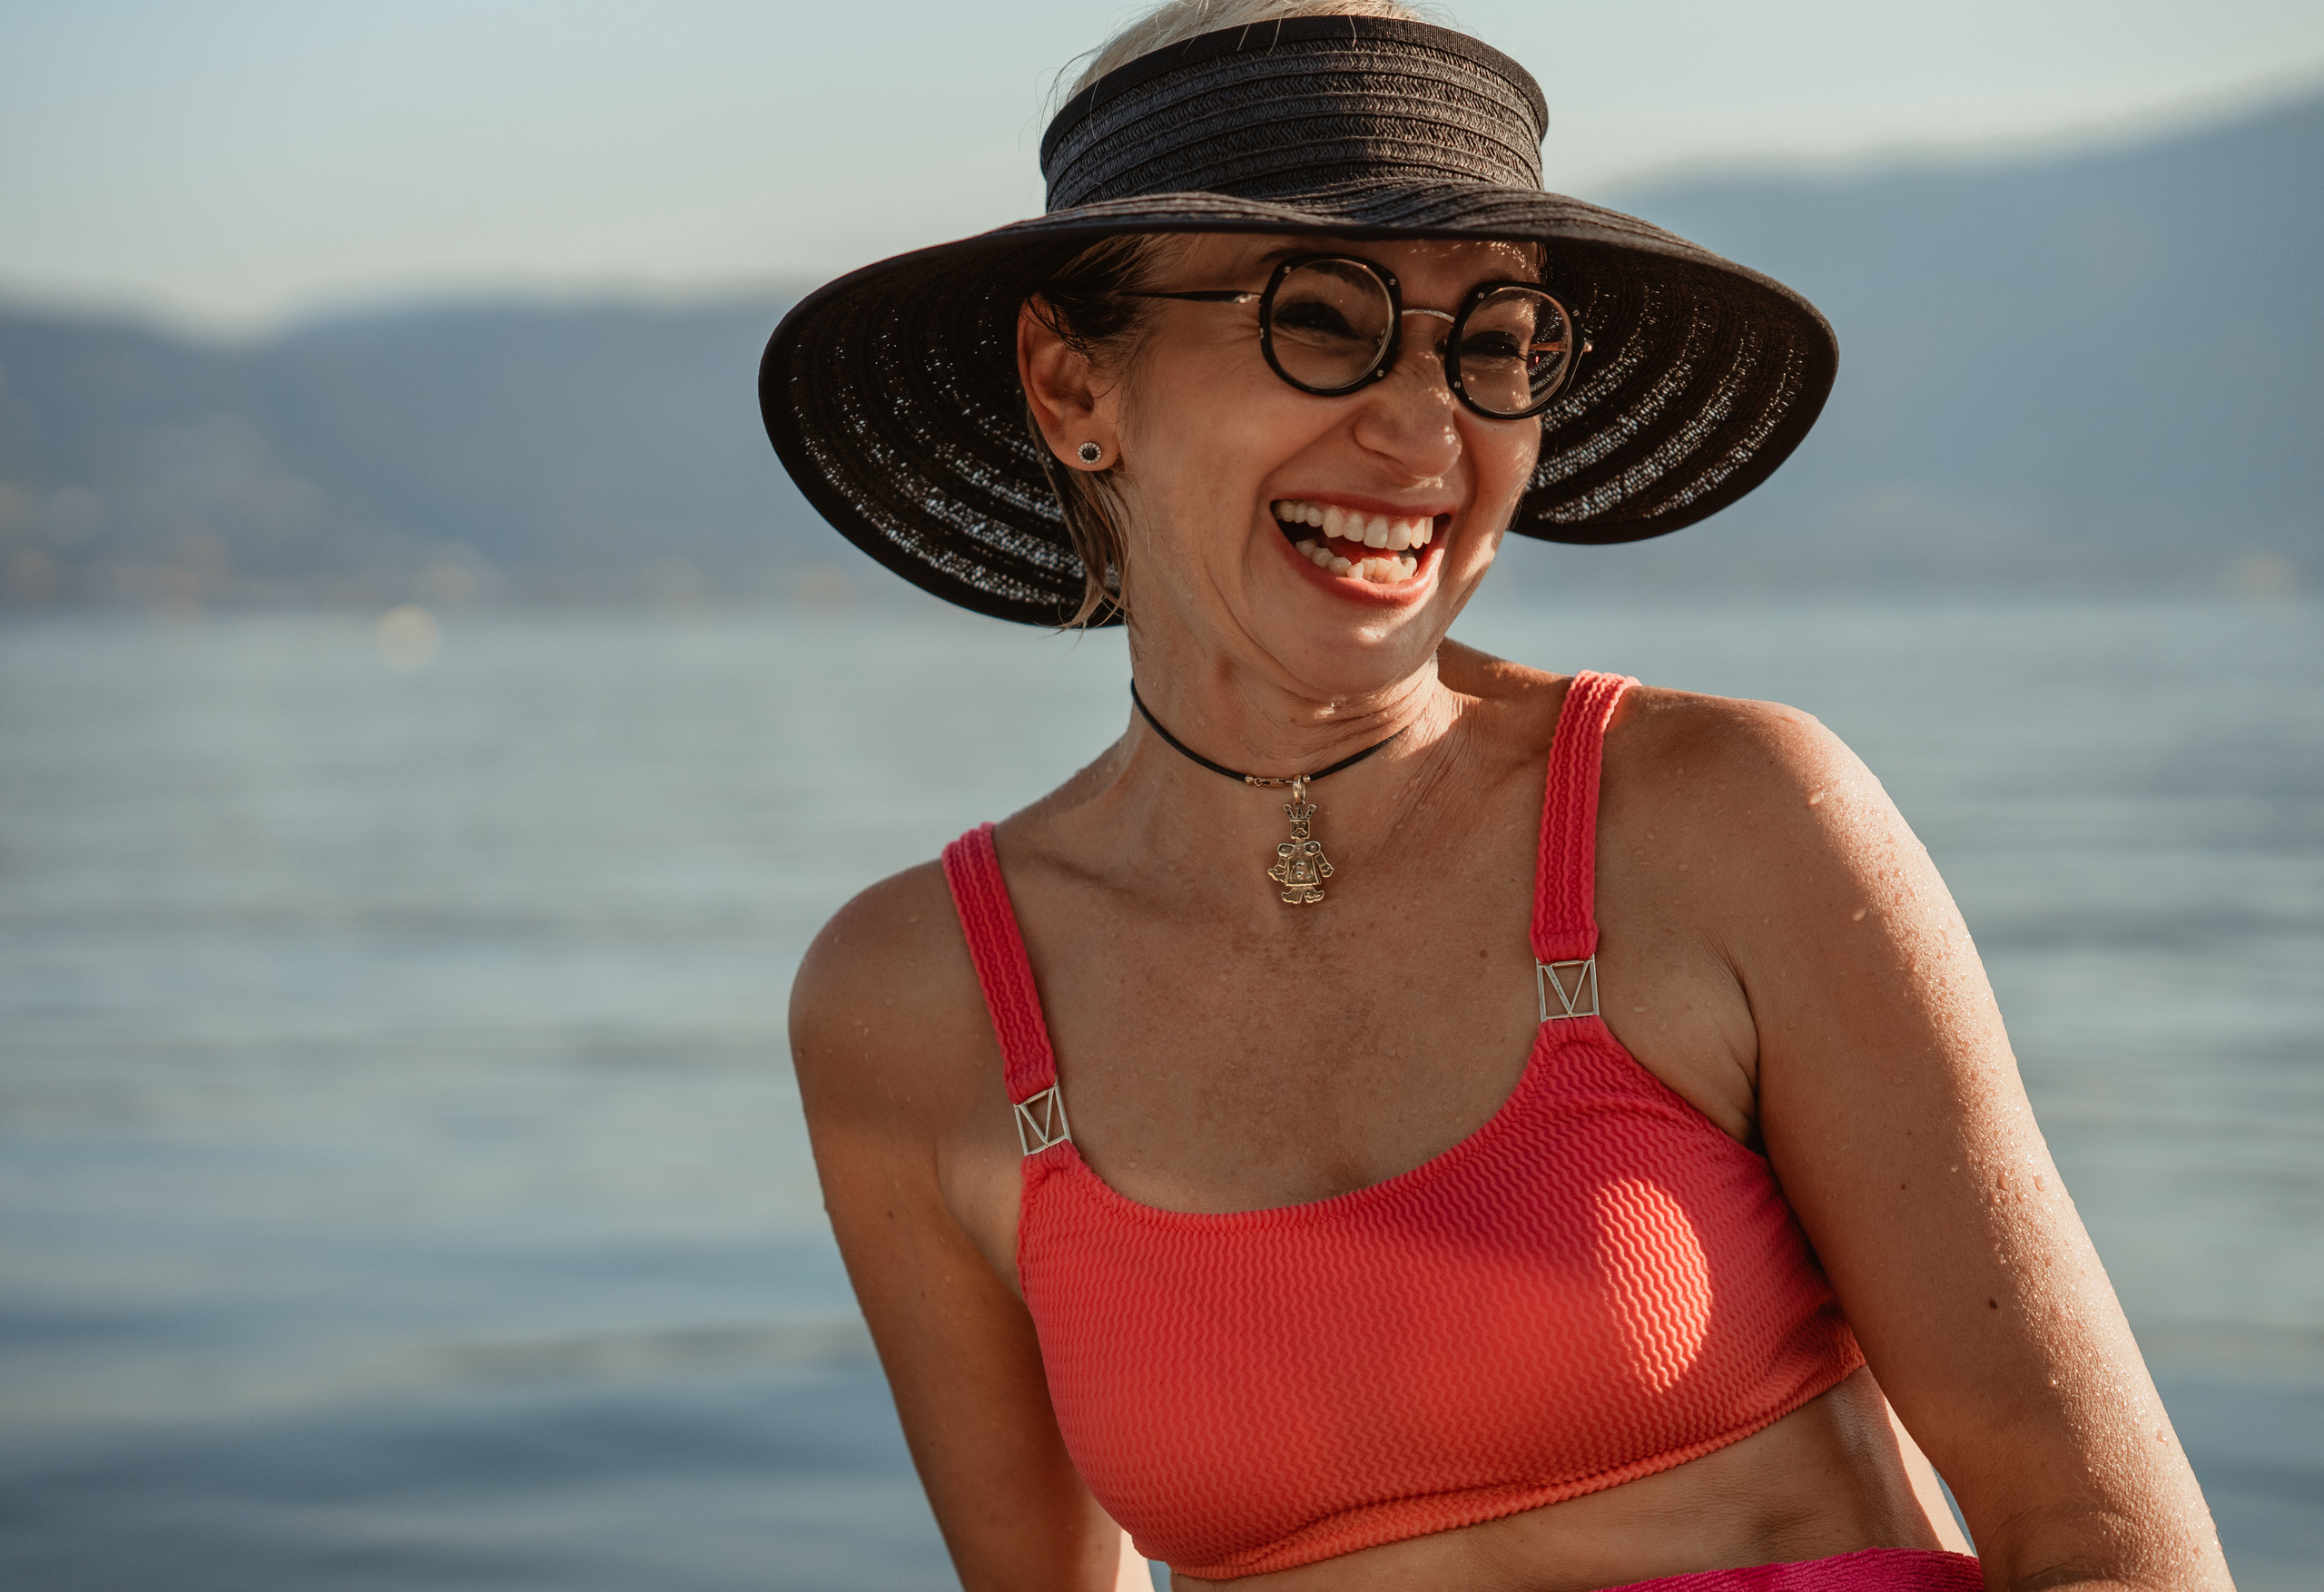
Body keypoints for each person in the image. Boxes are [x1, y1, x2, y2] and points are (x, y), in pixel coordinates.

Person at [763, 4, 2232, 1587]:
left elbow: (2101, 1538)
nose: (1424, 431)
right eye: (1320, 320)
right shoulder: (914, 1007)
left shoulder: (1726, 822)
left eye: (1494, 341)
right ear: (1070, 385)